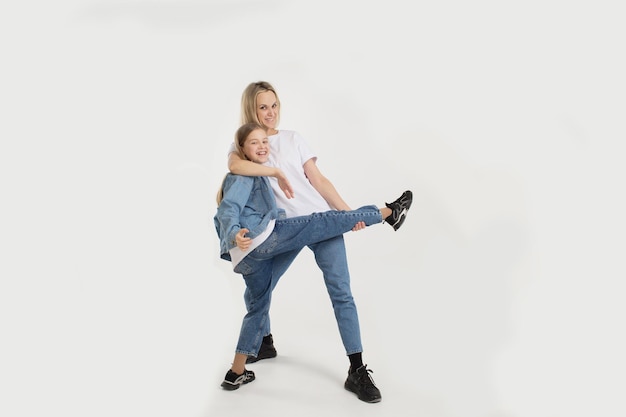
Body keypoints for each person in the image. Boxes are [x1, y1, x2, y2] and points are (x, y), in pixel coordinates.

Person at [226, 81, 411, 403]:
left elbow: (319, 179)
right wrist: (274, 172)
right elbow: (234, 166)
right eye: (262, 107)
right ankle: (264, 343)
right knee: (258, 289)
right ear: (251, 110)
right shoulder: (248, 144)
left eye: (274, 105)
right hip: (283, 229)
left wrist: (346, 214)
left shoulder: (293, 139)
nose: (270, 113)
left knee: (341, 292)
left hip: (320, 222)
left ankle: (357, 368)